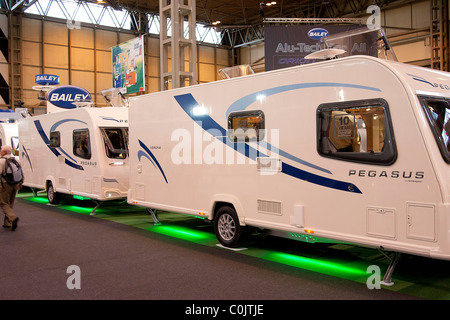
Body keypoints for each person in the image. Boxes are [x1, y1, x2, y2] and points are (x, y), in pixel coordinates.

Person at [0, 145, 21, 231]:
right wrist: (21, 183)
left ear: (4, 152)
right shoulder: (16, 160)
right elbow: (20, 172)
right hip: (15, 184)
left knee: (3, 203)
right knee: (10, 203)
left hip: (5, 185)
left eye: (1, 150)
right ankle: (7, 223)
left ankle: (12, 218)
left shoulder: (1, 161)